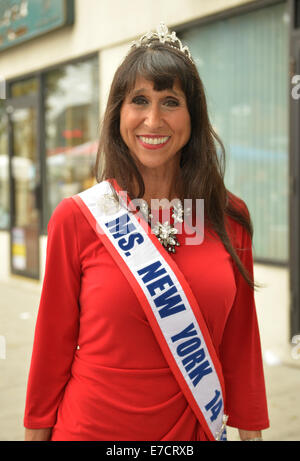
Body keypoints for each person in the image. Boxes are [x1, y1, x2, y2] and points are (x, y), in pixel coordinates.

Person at [24, 23, 269, 441]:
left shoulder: (229, 218)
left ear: (193, 116)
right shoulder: (78, 218)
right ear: (119, 112)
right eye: (139, 100)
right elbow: (51, 350)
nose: (153, 119)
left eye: (171, 101)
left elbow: (241, 348)